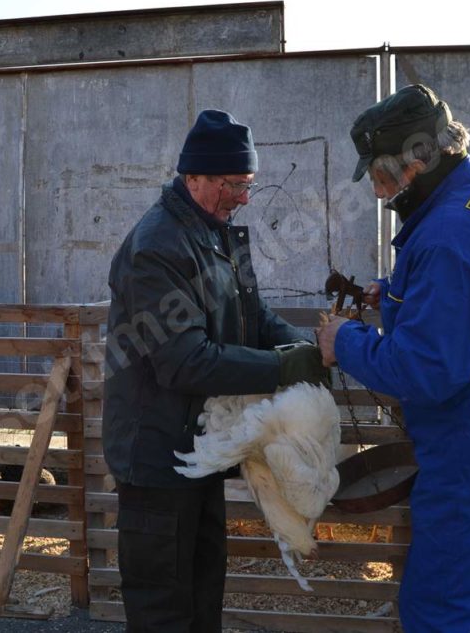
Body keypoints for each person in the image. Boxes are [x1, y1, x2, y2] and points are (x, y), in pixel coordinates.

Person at [316, 84, 470, 632]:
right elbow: (465, 296)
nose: (378, 193)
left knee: (437, 605)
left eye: (380, 177)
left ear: (415, 163)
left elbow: (426, 369)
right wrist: (397, 292)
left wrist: (343, 342)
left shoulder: (446, 237)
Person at [104, 109, 328, 632]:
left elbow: (255, 317)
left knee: (204, 594)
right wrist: (285, 366)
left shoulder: (219, 234)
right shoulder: (156, 247)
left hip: (199, 448)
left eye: (248, 184)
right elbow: (184, 360)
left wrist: (309, 348)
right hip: (157, 457)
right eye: (233, 184)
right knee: (164, 608)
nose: (244, 197)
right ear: (195, 177)